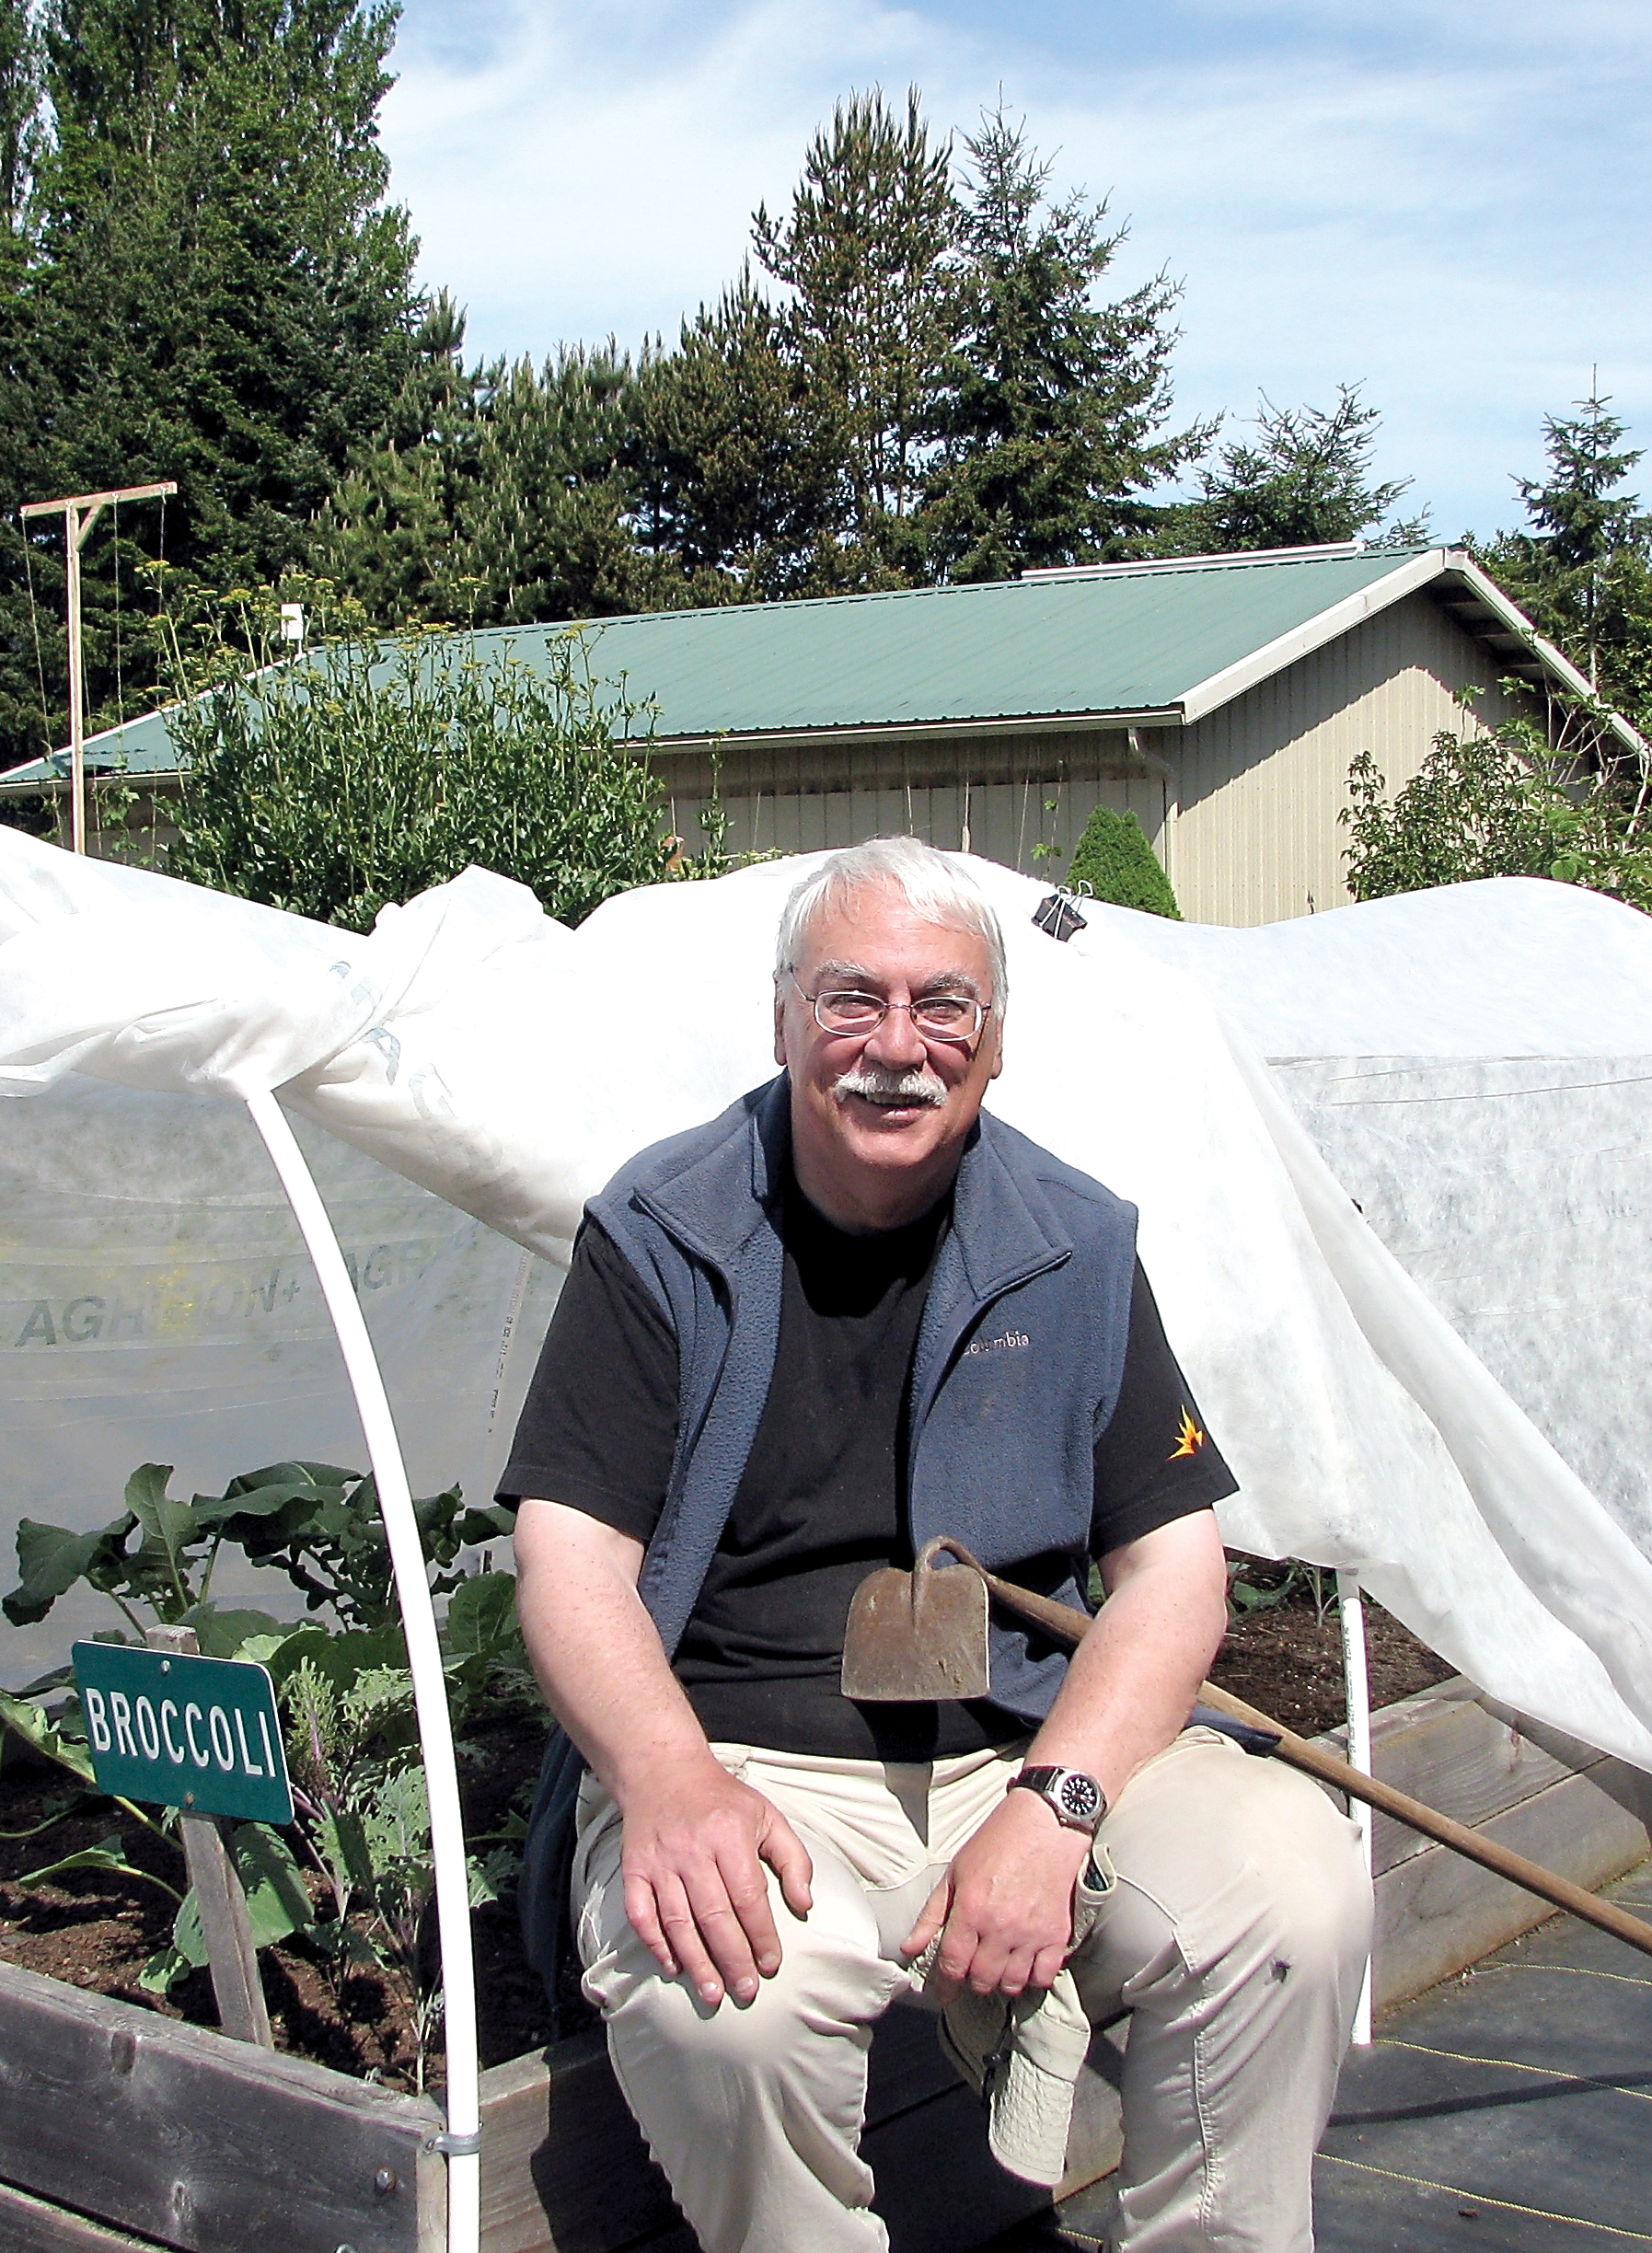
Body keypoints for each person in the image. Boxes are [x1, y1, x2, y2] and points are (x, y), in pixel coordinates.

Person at [504, 836, 1369, 2253]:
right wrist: (664, 1779)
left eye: (943, 1006)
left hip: (1014, 1752)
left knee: (1289, 1889)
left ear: (996, 1042)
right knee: (729, 1999)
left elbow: (1174, 1573)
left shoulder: (1071, 1243)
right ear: (783, 1020)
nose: (895, 1048)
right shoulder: (664, 1231)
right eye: (851, 1000)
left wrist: (1060, 1805)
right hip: (744, 1763)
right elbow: (571, 1556)